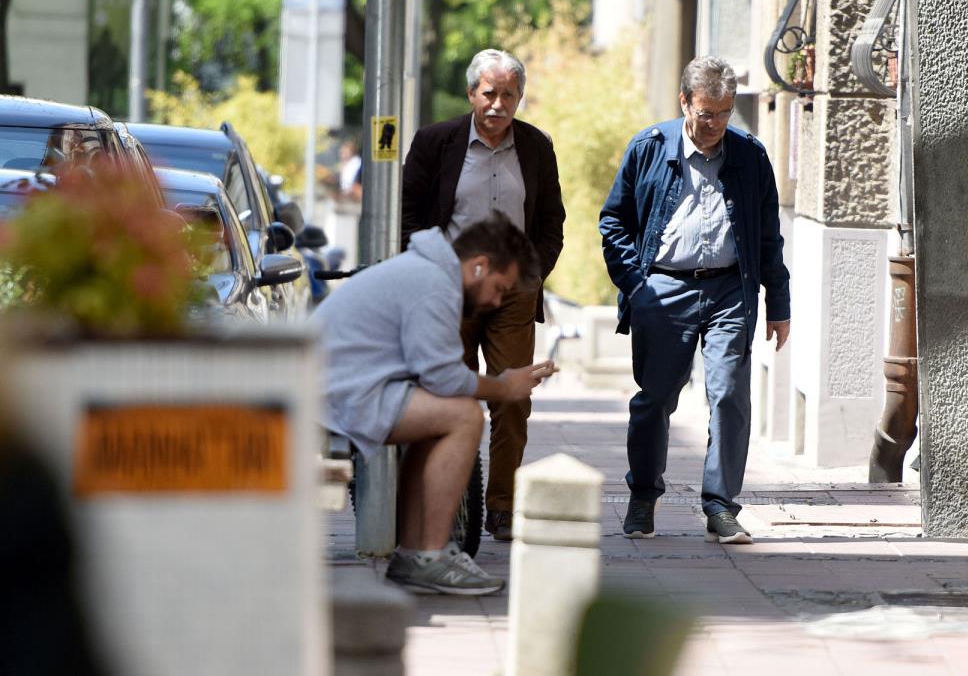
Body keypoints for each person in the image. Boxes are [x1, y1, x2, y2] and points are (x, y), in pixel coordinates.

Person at [598, 55, 791, 545]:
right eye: (707, 114)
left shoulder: (750, 155)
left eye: (725, 113)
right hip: (664, 288)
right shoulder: (648, 147)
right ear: (685, 102)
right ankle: (643, 496)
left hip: (730, 289)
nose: (715, 124)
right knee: (655, 398)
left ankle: (721, 506)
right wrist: (637, 287)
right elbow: (613, 222)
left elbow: (768, 234)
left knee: (729, 395)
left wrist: (778, 301)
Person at [313, 213, 557, 594]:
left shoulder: (427, 274)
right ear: (479, 266)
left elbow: (437, 377)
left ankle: (417, 555)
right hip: (334, 397)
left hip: (335, 391)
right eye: (499, 288)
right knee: (464, 416)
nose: (495, 302)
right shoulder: (434, 285)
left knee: (446, 414)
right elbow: (443, 378)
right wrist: (504, 386)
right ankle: (427, 555)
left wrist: (503, 383)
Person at [401, 48, 566, 543]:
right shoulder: (436, 143)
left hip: (512, 294)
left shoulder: (535, 147)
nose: (498, 104)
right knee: (447, 394)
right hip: (447, 290)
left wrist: (531, 274)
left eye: (509, 95)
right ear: (472, 93)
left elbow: (551, 222)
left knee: (512, 398)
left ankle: (502, 507)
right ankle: (449, 503)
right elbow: (407, 214)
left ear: (520, 98)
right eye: (489, 93)